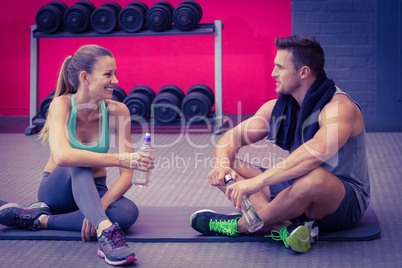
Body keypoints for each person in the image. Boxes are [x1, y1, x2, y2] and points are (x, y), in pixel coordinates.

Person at [190, 35, 370, 253]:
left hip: (341, 202)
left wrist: (256, 183)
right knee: (229, 167)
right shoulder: (279, 108)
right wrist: (221, 165)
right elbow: (230, 139)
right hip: (295, 187)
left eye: (280, 67)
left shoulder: (339, 108)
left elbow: (316, 152)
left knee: (314, 178)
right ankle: (285, 229)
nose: (273, 73)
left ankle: (241, 226)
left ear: (303, 72)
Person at [0, 45, 154, 265]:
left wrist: (100, 206)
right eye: (108, 74)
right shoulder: (61, 105)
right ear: (86, 78)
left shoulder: (119, 111)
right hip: (58, 190)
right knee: (79, 159)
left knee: (127, 213)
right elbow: (63, 157)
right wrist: (122, 159)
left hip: (95, 188)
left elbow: (127, 176)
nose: (116, 81)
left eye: (115, 74)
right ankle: (105, 232)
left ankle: (39, 220)